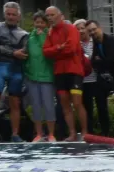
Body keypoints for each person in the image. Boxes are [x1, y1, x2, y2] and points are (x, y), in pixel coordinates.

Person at [0, 3, 28, 143]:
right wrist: (13, 52)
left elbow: (25, 52)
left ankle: (15, 135)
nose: (10, 17)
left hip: (16, 67)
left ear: (18, 16)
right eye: (8, 14)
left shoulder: (24, 34)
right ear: (4, 15)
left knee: (15, 102)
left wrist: (17, 54)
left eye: (13, 14)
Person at [40, 6, 82, 140]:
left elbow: (71, 48)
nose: (49, 18)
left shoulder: (71, 28)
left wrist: (56, 52)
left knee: (77, 103)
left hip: (74, 70)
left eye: (52, 15)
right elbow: (45, 52)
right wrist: (59, 47)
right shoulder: (50, 32)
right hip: (59, 71)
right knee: (64, 103)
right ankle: (72, 133)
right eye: (47, 16)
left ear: (60, 15)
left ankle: (86, 132)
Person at [22, 9, 53, 141]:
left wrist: (41, 37)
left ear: (46, 23)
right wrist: (27, 69)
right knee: (35, 106)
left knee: (48, 106)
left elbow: (48, 52)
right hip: (32, 76)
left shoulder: (50, 36)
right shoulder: (29, 37)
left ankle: (51, 134)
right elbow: (26, 54)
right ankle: (39, 134)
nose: (39, 25)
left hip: (47, 76)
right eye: (37, 22)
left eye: (42, 22)